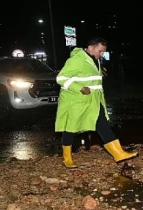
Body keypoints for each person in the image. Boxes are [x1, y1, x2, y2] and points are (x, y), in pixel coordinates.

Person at [55, 37, 138, 168]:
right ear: (91, 47)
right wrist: (80, 88)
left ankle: (118, 153)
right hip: (76, 101)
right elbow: (61, 78)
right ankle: (67, 158)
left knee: (103, 124)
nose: (101, 54)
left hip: (94, 100)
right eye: (100, 51)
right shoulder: (76, 60)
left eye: (103, 51)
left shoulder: (95, 60)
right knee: (70, 128)